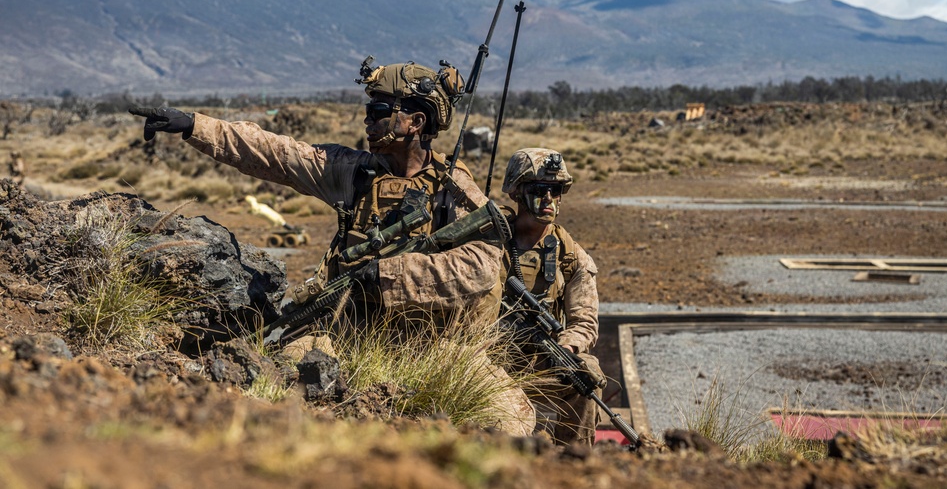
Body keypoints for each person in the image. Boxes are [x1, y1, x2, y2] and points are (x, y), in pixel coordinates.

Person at [131, 56, 534, 434]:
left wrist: (388, 275)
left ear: (415, 120)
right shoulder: (354, 172)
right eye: (369, 112)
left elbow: (482, 265)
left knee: (510, 420)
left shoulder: (455, 190)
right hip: (347, 332)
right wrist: (193, 125)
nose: (368, 121)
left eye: (379, 112)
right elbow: (277, 153)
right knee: (273, 383)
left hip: (435, 348)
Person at [501, 147, 605, 446]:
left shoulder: (570, 254)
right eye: (539, 189)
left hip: (540, 359)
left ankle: (572, 462)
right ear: (517, 193)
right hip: (490, 358)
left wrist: (568, 346)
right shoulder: (489, 245)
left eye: (556, 190)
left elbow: (584, 321)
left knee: (587, 377)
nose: (549, 199)